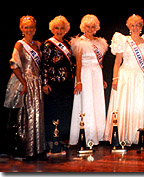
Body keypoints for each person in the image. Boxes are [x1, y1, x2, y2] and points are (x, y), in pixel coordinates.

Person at [104, 14, 144, 146]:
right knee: (124, 105)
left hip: (140, 76)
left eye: (138, 25)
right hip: (125, 75)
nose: (135, 28)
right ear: (128, 27)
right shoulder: (122, 40)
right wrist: (115, 78)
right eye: (133, 25)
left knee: (139, 104)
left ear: (141, 27)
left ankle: (138, 136)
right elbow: (117, 62)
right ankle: (122, 135)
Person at [4, 15, 45, 159]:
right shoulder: (19, 44)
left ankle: (37, 148)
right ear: (22, 29)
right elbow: (14, 65)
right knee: (25, 116)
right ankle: (25, 149)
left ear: (35, 29)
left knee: (36, 115)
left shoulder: (37, 44)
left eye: (31, 27)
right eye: (25, 27)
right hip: (25, 83)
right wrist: (24, 82)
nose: (29, 30)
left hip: (36, 83)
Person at [69, 14, 108, 147]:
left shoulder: (100, 43)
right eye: (87, 26)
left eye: (93, 27)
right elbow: (78, 64)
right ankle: (87, 135)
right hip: (85, 74)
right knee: (87, 102)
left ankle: (98, 134)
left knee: (96, 102)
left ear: (96, 28)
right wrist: (78, 81)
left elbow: (100, 64)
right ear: (83, 27)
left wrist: (102, 79)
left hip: (97, 74)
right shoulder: (80, 41)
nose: (90, 29)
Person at [41, 15, 74, 150]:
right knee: (52, 111)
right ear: (52, 29)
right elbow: (44, 64)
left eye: (62, 28)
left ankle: (60, 139)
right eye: (56, 28)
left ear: (66, 30)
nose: (59, 31)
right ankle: (51, 139)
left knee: (64, 111)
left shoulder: (68, 44)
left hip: (66, 83)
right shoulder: (48, 44)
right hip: (53, 82)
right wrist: (44, 83)